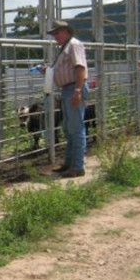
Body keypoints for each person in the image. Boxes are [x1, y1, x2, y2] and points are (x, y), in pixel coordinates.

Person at [39, 20, 89, 178]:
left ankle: (77, 166)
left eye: (57, 32)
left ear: (66, 31)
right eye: (53, 34)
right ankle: (70, 163)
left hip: (73, 87)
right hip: (68, 89)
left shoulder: (74, 45)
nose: (55, 36)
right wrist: (48, 71)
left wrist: (78, 90)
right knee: (69, 128)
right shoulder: (65, 48)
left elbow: (80, 67)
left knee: (75, 128)